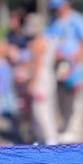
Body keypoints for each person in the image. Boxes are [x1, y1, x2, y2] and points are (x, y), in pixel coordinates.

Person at [46, 0, 83, 143]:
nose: (57, 9)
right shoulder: (53, 20)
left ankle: (74, 130)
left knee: (73, 98)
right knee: (61, 97)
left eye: (59, 6)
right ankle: (66, 126)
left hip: (72, 65)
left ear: (67, 3)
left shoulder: (75, 18)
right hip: (58, 64)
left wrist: (78, 55)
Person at [0, 6, 32, 143]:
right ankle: (18, 130)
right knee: (13, 103)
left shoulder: (28, 36)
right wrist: (8, 51)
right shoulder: (9, 36)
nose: (11, 22)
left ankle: (28, 129)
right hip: (12, 76)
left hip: (26, 75)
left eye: (13, 19)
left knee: (26, 104)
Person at [25, 13, 59, 145]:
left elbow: (37, 65)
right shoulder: (46, 40)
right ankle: (43, 137)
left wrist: (33, 82)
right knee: (43, 108)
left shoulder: (38, 43)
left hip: (42, 79)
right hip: (47, 77)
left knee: (41, 110)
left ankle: (50, 138)